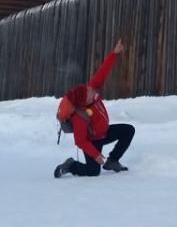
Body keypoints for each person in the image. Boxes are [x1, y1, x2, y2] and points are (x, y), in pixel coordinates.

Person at [54, 39, 136, 178]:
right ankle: (71, 165)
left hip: (104, 132)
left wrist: (114, 53)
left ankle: (112, 160)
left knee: (128, 130)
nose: (93, 92)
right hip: (92, 141)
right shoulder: (79, 116)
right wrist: (96, 155)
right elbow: (80, 141)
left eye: (90, 90)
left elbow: (103, 70)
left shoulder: (92, 89)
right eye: (89, 93)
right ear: (82, 102)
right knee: (93, 172)